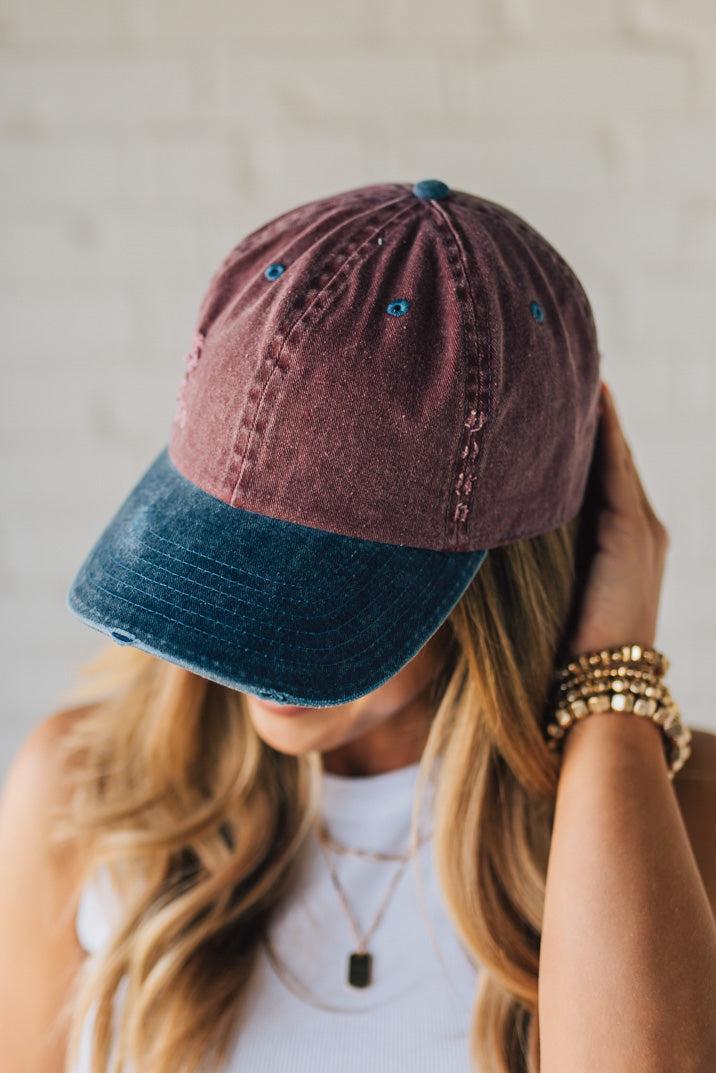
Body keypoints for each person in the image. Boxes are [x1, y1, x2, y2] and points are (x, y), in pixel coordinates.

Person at [1, 181, 714, 1073]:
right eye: (223, 554)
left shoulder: (676, 813)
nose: (246, 647)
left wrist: (614, 686)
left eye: (316, 583)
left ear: (497, 578)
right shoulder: (85, 791)